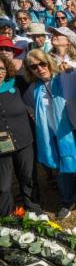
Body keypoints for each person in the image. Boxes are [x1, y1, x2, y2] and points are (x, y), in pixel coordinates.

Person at [24, 50, 76, 219]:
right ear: (30, 70)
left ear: (49, 62)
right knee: (60, 169)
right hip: (53, 134)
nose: (39, 69)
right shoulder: (34, 89)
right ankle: (66, 201)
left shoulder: (65, 75)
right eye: (34, 67)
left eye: (42, 64)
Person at [0, 53, 41, 216]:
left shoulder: (17, 82)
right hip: (1, 144)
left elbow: (39, 76)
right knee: (3, 185)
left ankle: (34, 211)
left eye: (2, 68)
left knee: (28, 177)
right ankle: (5, 217)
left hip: (24, 139)